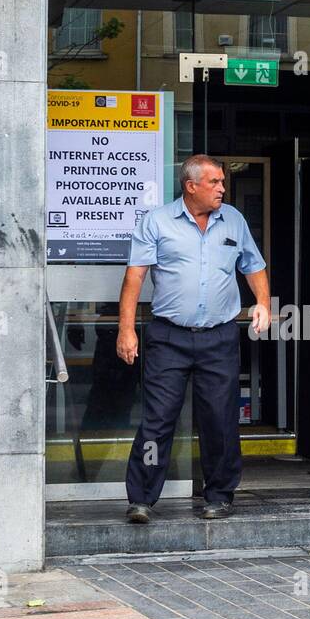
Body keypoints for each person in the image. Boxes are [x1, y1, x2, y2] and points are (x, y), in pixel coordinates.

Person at [117, 155, 269, 522]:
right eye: (215, 182)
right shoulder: (157, 222)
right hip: (169, 337)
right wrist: (126, 330)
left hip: (219, 337)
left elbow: (254, 265)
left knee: (219, 420)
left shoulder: (233, 219)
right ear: (191, 186)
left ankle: (218, 495)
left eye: (221, 182)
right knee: (158, 420)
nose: (222, 188)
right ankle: (141, 498)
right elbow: (134, 278)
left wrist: (262, 302)